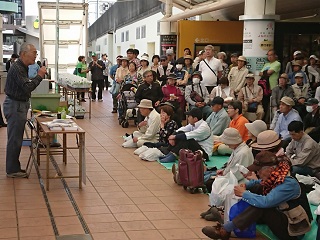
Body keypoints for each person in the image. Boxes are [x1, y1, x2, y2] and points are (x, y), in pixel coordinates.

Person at [202, 151, 312, 240]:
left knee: (262, 206)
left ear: (270, 169)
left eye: (259, 171)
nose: (257, 174)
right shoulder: (277, 174)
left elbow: (266, 202)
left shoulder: (288, 183)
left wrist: (244, 193)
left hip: (294, 229)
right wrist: (245, 185)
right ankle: (226, 216)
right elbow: (258, 183)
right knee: (257, 190)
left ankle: (226, 229)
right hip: (284, 215)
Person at [3, 43, 47, 178]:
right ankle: (12, 170)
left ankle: (14, 167)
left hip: (19, 105)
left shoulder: (22, 67)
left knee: (17, 137)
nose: (35, 55)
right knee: (15, 139)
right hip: (15, 105)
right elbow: (27, 87)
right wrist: (39, 75)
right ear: (23, 54)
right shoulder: (17, 68)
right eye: (33, 52)